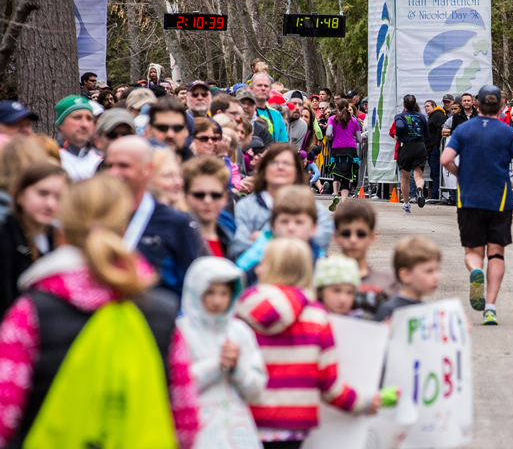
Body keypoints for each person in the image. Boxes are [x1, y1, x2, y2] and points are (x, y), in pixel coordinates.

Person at [0, 175, 200, 448]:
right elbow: (186, 422)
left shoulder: (29, 312)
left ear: (62, 230)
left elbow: (4, 412)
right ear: (124, 228)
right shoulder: (162, 312)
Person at [236, 238, 380, 447]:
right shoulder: (317, 317)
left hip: (247, 421)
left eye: (263, 262)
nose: (258, 268)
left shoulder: (243, 308)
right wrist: (363, 403)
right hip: (293, 428)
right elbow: (329, 385)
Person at [440, 85, 513, 326]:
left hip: (469, 198)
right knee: (496, 253)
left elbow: (445, 159)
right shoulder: (508, 133)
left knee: (473, 252)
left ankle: (475, 271)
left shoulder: (463, 129)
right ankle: (490, 308)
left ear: (477, 105)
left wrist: (460, 173)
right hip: (500, 200)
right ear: (501, 107)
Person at [177, 257, 268, 449]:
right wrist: (216, 364)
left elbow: (257, 390)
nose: (217, 300)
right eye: (210, 292)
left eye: (224, 293)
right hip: (195, 430)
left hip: (237, 433)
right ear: (196, 291)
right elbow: (178, 386)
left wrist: (237, 367)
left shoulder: (240, 332)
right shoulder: (181, 331)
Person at [105, 136, 202, 297]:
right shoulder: (97, 215)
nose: (114, 172)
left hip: (157, 317)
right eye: (110, 165)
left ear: (147, 169)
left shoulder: (175, 222)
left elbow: (191, 284)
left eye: (123, 165)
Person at [230, 144, 334, 260]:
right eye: (274, 163)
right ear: (263, 169)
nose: (280, 167)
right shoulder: (246, 206)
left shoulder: (314, 207)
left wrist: (263, 239)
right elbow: (239, 245)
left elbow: (322, 239)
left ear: (297, 171)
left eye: (287, 164)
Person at [0, 163, 66, 313]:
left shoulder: (57, 239)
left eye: (59, 197)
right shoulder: (6, 236)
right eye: (42, 193)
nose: (50, 204)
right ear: (20, 195)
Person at [235, 185, 326, 280]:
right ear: (273, 226)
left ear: (313, 228)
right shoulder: (259, 253)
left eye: (299, 222)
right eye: (284, 221)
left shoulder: (321, 262)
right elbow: (239, 276)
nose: (291, 228)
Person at [331, 200, 399, 318]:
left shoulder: (388, 283)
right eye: (346, 233)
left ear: (372, 237)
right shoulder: (323, 279)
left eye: (361, 234)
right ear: (336, 237)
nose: (353, 240)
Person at [375, 236, 443, 322]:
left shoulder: (427, 310)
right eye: (429, 271)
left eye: (438, 270)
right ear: (406, 275)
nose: (437, 277)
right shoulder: (390, 311)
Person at [183, 156, 234, 258]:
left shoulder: (231, 235)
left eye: (215, 195)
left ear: (225, 198)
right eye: (199, 195)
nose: (207, 201)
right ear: (185, 197)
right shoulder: (177, 238)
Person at [390, 95, 429, 213]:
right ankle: (419, 188)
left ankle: (406, 204)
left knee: (405, 177)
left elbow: (400, 126)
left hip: (406, 147)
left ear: (404, 105)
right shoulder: (422, 116)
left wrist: (398, 135)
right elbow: (427, 133)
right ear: (415, 104)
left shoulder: (400, 116)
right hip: (420, 146)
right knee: (418, 176)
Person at [324, 98, 362, 210]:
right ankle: (344, 202)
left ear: (337, 107)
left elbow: (329, 133)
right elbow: (359, 139)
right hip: (351, 150)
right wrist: (350, 137)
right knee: (347, 176)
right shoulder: (354, 121)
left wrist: (334, 137)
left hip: (337, 149)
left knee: (336, 172)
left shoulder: (332, 119)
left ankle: (335, 194)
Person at [55, 95, 102, 181]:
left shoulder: (102, 160)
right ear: (60, 124)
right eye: (77, 118)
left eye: (89, 118)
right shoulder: (49, 158)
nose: (84, 124)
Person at [148, 97, 194, 163]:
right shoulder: (136, 169)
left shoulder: (199, 171)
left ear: (186, 131)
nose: (170, 134)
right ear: (149, 130)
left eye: (177, 128)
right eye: (162, 128)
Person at [249, 73, 288, 144]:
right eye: (259, 85)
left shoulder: (277, 115)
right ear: (251, 89)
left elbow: (283, 145)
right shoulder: (245, 112)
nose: (263, 88)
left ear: (270, 90)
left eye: (266, 86)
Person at [424, 100, 447, 202]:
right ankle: (433, 194)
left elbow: (439, 130)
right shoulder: (431, 116)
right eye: (425, 107)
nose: (426, 108)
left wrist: (437, 145)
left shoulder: (437, 115)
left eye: (428, 106)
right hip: (430, 147)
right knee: (434, 172)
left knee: (436, 172)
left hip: (435, 148)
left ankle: (435, 195)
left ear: (434, 106)